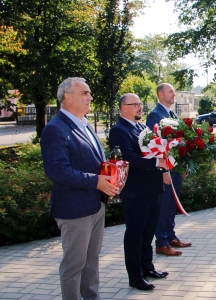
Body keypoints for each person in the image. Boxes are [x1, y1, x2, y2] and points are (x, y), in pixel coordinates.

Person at [41, 77, 119, 300]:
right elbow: (56, 170)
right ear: (67, 97)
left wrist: (114, 173)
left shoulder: (84, 124)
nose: (90, 97)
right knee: (74, 265)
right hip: (73, 209)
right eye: (85, 93)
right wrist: (95, 181)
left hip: (95, 204)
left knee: (91, 259)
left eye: (89, 93)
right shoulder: (55, 128)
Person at [108, 93, 170, 291]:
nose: (139, 107)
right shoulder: (119, 131)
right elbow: (128, 158)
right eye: (134, 104)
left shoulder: (142, 128)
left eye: (140, 104)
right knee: (135, 235)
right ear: (123, 107)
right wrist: (156, 162)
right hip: (135, 192)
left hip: (152, 188)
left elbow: (155, 150)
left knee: (148, 232)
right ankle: (134, 276)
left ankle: (147, 267)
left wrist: (165, 161)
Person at [146, 83, 192, 256]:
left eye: (174, 91)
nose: (174, 94)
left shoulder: (172, 114)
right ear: (160, 94)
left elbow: (177, 142)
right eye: (170, 91)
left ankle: (171, 236)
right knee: (163, 206)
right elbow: (154, 146)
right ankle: (161, 243)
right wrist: (164, 171)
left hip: (175, 169)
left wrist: (183, 165)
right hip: (165, 171)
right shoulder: (155, 116)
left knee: (172, 205)